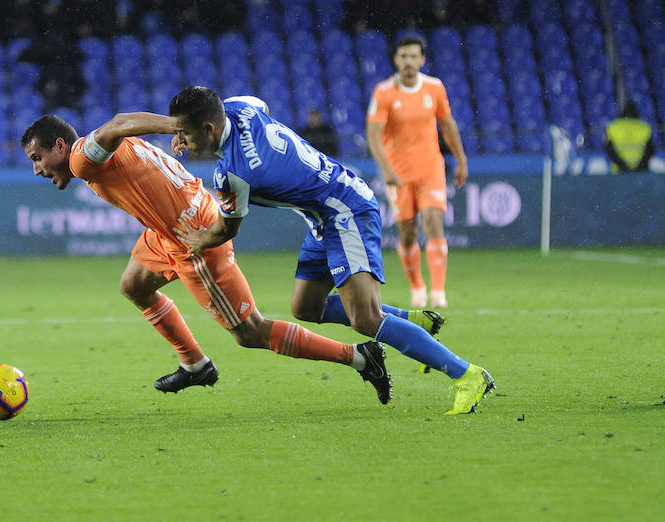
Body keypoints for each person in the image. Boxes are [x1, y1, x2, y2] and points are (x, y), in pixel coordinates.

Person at [159, 86, 494, 415]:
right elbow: (261, 105)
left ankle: (466, 375)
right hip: (322, 216)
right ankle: (412, 321)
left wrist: (199, 240)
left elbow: (227, 229)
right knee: (306, 307)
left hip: (346, 212)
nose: (180, 140)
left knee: (366, 318)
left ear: (208, 128)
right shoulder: (239, 107)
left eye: (184, 133)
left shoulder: (234, 173)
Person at [20, 113, 393, 404]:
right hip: (171, 227)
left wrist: (177, 126)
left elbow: (118, 123)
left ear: (59, 145)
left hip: (191, 236)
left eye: (38, 158)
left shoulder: (82, 160)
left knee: (251, 333)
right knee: (134, 285)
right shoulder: (96, 153)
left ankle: (360, 356)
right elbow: (122, 129)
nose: (37, 169)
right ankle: (195, 364)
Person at [366, 35, 468, 309]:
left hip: (431, 169)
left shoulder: (434, 88)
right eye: (404, 56)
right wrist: (385, 169)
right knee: (407, 232)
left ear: (422, 59)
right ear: (396, 60)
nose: (409, 62)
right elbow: (373, 135)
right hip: (398, 174)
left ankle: (438, 291)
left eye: (413, 56)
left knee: (433, 220)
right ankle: (417, 286)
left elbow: (447, 125)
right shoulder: (384, 92)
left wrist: (461, 159)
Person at [604, 100, 654, 173]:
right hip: (641, 172)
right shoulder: (645, 127)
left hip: (619, 171)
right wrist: (641, 165)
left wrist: (622, 165)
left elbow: (609, 150)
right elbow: (650, 149)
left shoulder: (612, 127)